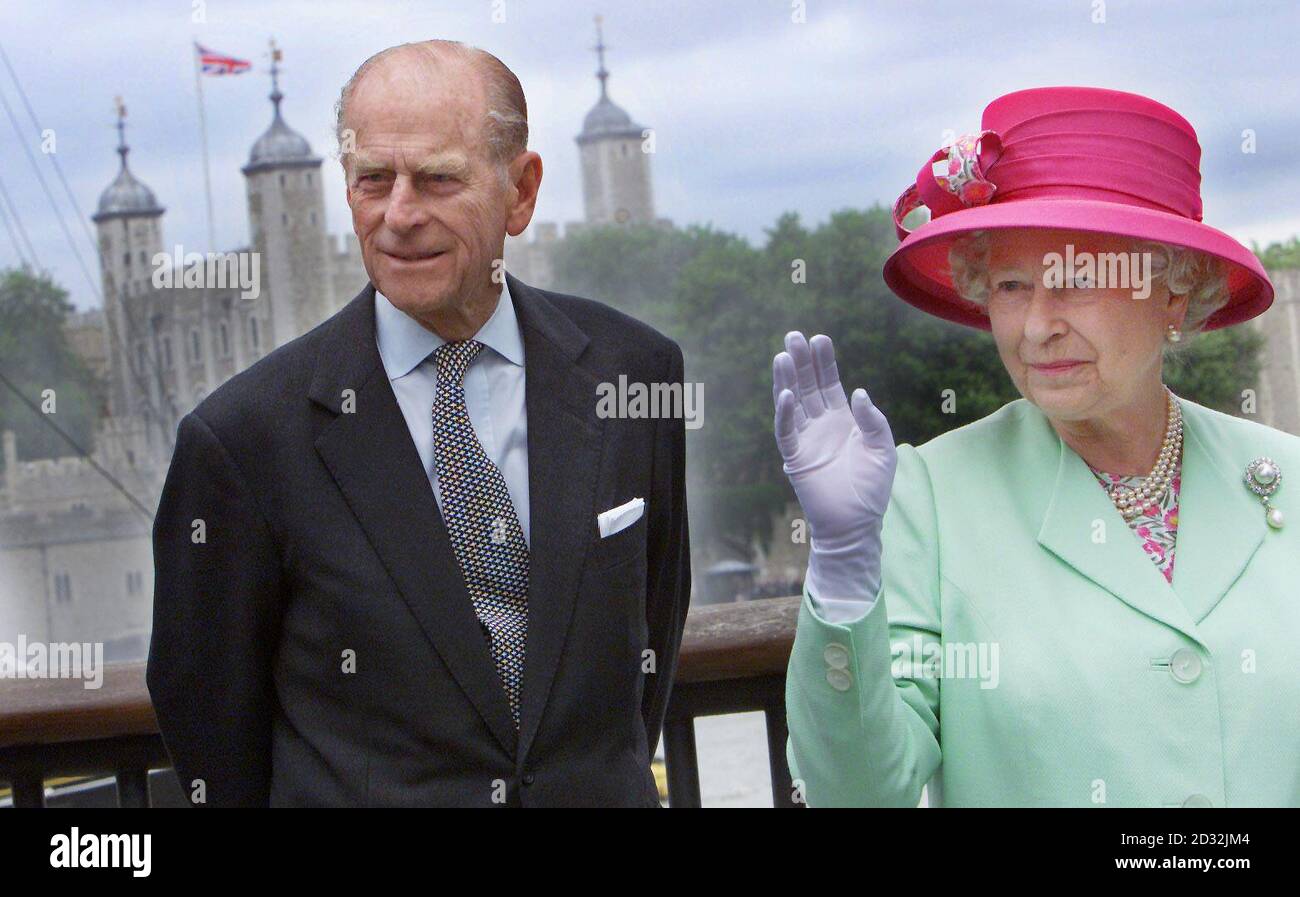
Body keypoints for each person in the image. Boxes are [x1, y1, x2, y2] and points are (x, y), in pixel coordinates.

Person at [147, 40, 690, 807]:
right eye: (373, 180)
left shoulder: (634, 373)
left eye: (437, 179)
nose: (399, 215)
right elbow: (210, 725)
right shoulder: (241, 440)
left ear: (521, 192)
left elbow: (650, 650)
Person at [775, 86, 1300, 807]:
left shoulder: (1290, 477)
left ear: (1175, 293)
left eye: (1076, 281)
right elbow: (856, 791)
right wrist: (840, 571)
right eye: (1012, 286)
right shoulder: (929, 499)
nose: (1035, 326)